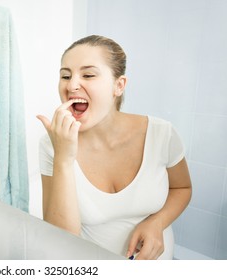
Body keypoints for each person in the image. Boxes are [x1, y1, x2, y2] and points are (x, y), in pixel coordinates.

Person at [37, 35, 192, 260]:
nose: (72, 85)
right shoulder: (52, 144)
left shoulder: (162, 134)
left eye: (88, 74)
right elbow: (61, 242)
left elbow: (182, 189)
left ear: (118, 86)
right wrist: (63, 156)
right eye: (65, 76)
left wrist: (156, 222)